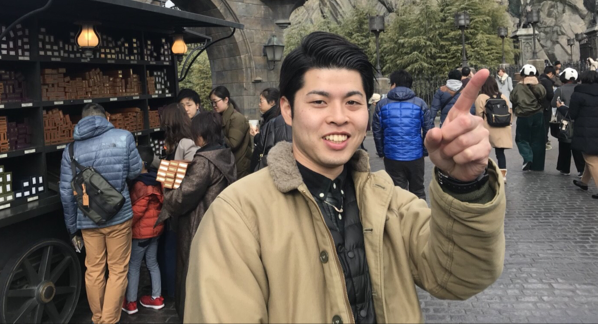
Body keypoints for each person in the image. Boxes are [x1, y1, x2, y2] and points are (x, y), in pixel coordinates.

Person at [184, 32, 506, 323]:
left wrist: (466, 184)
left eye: (353, 102)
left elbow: (458, 274)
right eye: (319, 102)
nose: (339, 117)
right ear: (287, 109)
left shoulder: (389, 199)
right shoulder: (237, 217)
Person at [59, 103, 141, 324]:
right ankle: (108, 320)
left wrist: (72, 227)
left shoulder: (70, 150)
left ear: (81, 121)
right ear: (106, 117)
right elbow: (135, 171)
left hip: (88, 219)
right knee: (117, 270)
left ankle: (98, 318)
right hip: (119, 216)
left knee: (94, 270)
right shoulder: (124, 137)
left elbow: (66, 192)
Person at [158, 111, 237, 319]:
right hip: (218, 221)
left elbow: (181, 197)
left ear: (202, 134)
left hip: (198, 224)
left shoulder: (203, 161)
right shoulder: (225, 154)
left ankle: (193, 315)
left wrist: (168, 186)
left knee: (192, 273)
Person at [158, 103, 198, 300]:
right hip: (171, 202)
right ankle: (171, 289)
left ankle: (177, 292)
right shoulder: (173, 142)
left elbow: (190, 173)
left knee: (173, 248)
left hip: (179, 204)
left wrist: (160, 167)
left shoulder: (186, 143)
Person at [372, 70, 433, 199]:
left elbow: (377, 132)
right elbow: (428, 130)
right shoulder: (420, 103)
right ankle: (419, 212)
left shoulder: (382, 105)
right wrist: (425, 151)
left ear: (394, 84)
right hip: (415, 155)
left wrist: (381, 152)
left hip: (392, 156)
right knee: (418, 190)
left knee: (398, 193)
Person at [122, 146, 165, 315]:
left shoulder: (141, 184)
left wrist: (125, 226)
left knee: (134, 266)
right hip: (156, 230)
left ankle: (131, 302)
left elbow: (137, 212)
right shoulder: (156, 179)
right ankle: (156, 297)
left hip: (141, 234)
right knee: (152, 263)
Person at [475, 75, 513, 182]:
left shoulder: (481, 97)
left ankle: (485, 173)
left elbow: (479, 114)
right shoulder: (502, 96)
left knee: (484, 153)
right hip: (502, 127)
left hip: (487, 128)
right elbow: (509, 111)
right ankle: (503, 175)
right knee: (500, 153)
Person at [511, 64, 547, 172]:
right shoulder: (539, 86)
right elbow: (544, 95)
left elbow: (513, 98)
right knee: (538, 140)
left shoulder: (518, 87)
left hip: (523, 115)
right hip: (538, 115)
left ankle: (527, 158)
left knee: (522, 139)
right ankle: (538, 166)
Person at [210, 86, 252, 178]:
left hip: (239, 168)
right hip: (230, 166)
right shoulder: (222, 117)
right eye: (212, 102)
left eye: (215, 102)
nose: (214, 105)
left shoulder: (237, 118)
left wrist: (216, 129)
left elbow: (233, 144)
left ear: (226, 100)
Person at [570, 71, 598, 199]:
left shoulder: (578, 93)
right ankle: (584, 182)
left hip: (586, 130)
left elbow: (572, 114)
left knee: (591, 159)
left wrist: (561, 108)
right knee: (591, 158)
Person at [552, 68, 585, 176]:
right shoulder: (580, 88)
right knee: (578, 147)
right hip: (579, 120)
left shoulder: (560, 89)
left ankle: (564, 168)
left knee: (564, 145)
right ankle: (581, 169)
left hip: (564, 121)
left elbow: (553, 103)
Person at [250, 88, 282, 171]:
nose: (259, 104)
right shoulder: (270, 116)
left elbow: (265, 141)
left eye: (261, 101)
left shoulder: (273, 118)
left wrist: (256, 135)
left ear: (272, 102)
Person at [539, 65, 556, 150]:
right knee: (546, 124)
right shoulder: (548, 82)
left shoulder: (539, 79)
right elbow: (550, 95)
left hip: (538, 106)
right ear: (550, 73)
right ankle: (544, 141)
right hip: (546, 106)